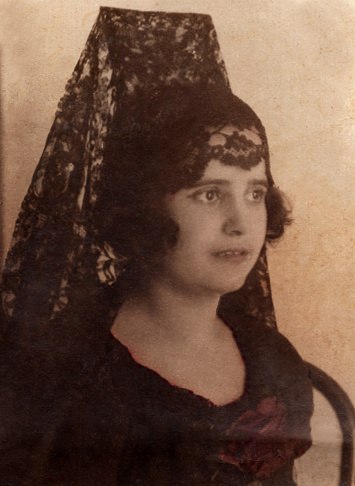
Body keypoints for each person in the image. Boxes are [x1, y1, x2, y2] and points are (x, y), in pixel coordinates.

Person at [0, 7, 313, 485]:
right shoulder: (71, 376)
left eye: (254, 193)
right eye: (209, 194)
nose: (240, 223)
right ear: (140, 210)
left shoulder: (271, 357)